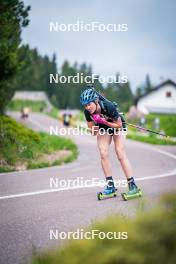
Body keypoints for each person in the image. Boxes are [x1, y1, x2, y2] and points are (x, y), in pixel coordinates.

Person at [80, 87, 141, 200]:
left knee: (120, 152)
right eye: (85, 105)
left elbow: (119, 125)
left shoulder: (108, 106)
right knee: (103, 153)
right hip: (103, 127)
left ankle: (133, 185)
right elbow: (93, 132)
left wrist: (103, 120)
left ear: (95, 101)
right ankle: (110, 186)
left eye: (89, 104)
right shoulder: (87, 112)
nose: (88, 107)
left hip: (116, 125)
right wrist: (96, 122)